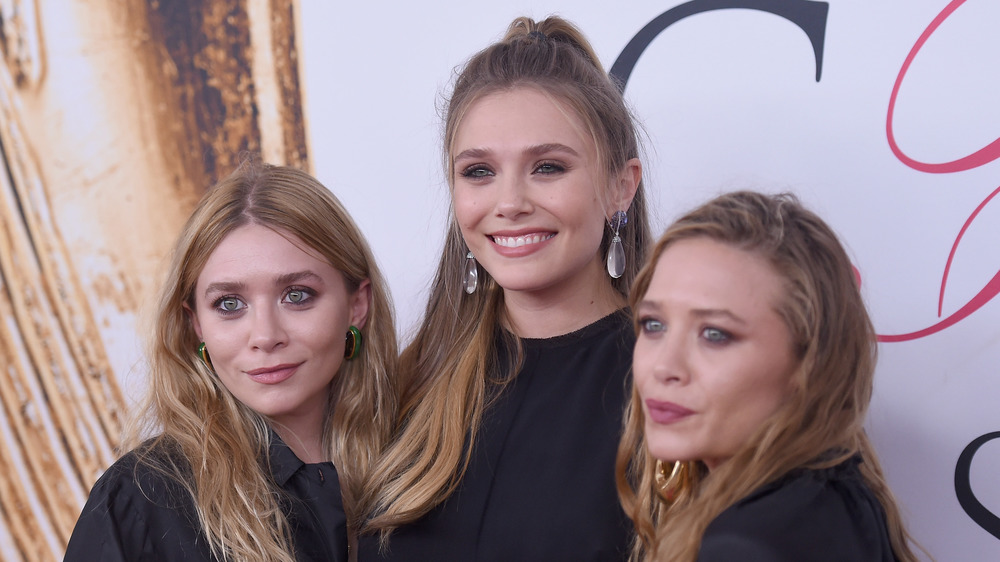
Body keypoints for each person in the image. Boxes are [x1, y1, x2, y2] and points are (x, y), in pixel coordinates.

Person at [357, 15, 650, 561]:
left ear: (620, 186)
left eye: (547, 167)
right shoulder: (411, 381)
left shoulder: (670, 385)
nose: (509, 202)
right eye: (478, 172)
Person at [64, 160, 398, 561]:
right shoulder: (140, 501)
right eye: (229, 304)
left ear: (356, 305)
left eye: (297, 295)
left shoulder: (427, 464)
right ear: (197, 324)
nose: (265, 336)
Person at [616, 191, 920, 561]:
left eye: (715, 334)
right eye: (653, 324)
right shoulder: (840, 495)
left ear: (810, 360)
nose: (665, 367)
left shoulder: (745, 547)